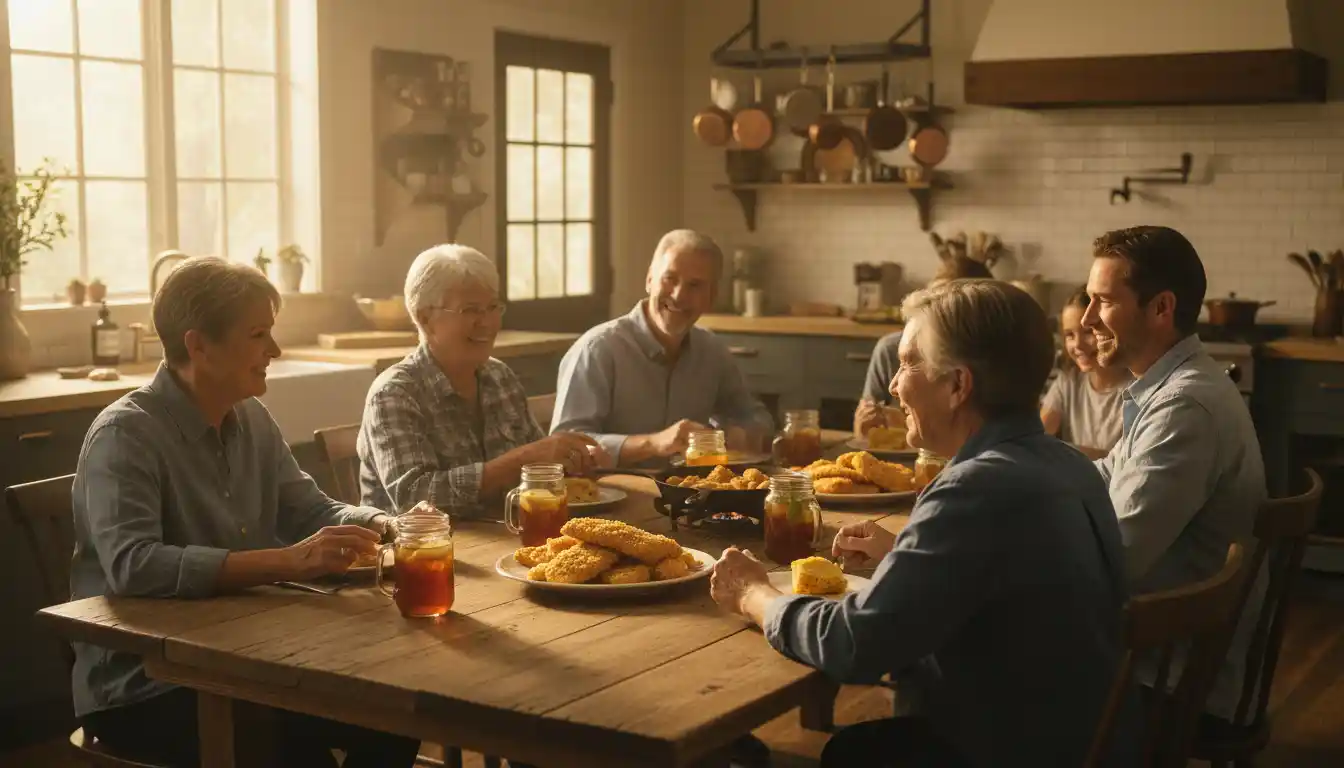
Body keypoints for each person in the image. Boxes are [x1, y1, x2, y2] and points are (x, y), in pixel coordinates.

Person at [711, 280, 1137, 768]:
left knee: (850, 753)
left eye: (909, 362)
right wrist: (903, 557)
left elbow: (855, 645)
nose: (893, 384)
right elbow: (1011, 589)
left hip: (1009, 750)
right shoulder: (1068, 464)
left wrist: (754, 595)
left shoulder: (974, 489)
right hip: (1088, 740)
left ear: (958, 385)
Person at [70, 256, 420, 767]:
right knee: (294, 748)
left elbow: (309, 510)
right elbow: (134, 564)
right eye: (259, 335)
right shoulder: (124, 435)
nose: (274, 351)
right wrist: (288, 562)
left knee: (397, 709)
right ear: (199, 345)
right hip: (146, 682)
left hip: (250, 655)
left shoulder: (251, 416)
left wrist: (387, 524)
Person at [1083, 225, 1266, 724]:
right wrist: (1021, 472)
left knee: (970, 655)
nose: (1086, 319)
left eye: (1102, 301)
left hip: (1167, 678)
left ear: (1161, 308)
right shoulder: (1170, 389)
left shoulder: (1184, 406)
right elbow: (1105, 476)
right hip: (1158, 655)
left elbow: (1114, 557)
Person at [359, 244, 607, 517]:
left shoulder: (500, 377)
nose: (487, 323)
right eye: (470, 311)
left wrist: (573, 463)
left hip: (502, 538)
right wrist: (523, 460)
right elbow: (415, 499)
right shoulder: (394, 394)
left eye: (492, 307)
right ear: (426, 318)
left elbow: (539, 473)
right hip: (420, 552)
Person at [551, 229, 773, 466]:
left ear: (712, 296)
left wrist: (735, 435)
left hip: (694, 495)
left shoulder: (712, 351)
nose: (679, 295)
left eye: (695, 285)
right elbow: (564, 447)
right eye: (670, 278)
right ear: (649, 280)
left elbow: (757, 418)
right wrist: (653, 443)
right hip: (614, 495)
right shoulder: (596, 350)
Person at [853, 257, 994, 437]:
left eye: (945, 307)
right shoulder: (890, 349)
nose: (893, 387)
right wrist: (862, 427)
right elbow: (865, 429)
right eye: (930, 303)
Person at [1040, 287, 1131, 459]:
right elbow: (1036, 438)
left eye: (1088, 332)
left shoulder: (1137, 388)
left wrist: (1060, 451)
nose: (1078, 345)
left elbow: (1126, 462)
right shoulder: (1069, 382)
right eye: (1070, 335)